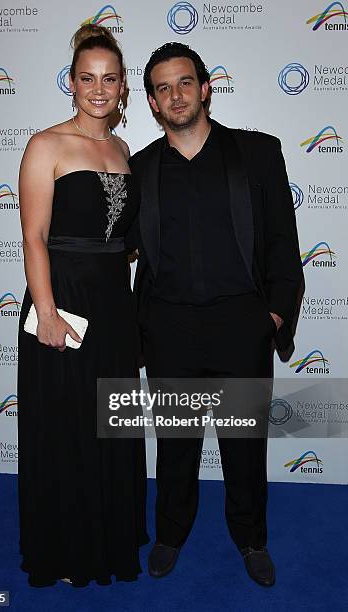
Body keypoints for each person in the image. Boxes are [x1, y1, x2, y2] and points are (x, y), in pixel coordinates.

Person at [128, 42, 304, 587]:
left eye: (184, 83)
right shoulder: (139, 169)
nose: (175, 95)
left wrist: (273, 316)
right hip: (170, 328)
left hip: (240, 327)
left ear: (206, 88)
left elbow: (281, 242)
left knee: (245, 447)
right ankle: (171, 534)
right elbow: (114, 246)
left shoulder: (258, 153)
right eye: (162, 88)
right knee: (176, 446)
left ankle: (251, 539)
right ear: (153, 103)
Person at [17, 24, 148, 588]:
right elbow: (33, 237)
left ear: (123, 88)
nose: (99, 89)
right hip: (64, 298)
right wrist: (46, 312)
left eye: (110, 79)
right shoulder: (46, 145)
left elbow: (126, 236)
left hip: (114, 301)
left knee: (111, 422)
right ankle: (71, 548)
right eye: (88, 78)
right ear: (71, 83)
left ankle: (112, 533)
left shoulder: (123, 150)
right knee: (68, 426)